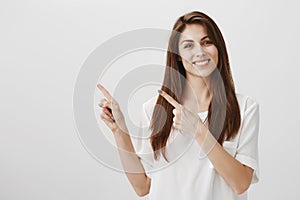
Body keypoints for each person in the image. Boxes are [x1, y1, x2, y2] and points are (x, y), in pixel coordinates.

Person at [97, 11, 260, 200]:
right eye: (188, 45)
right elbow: (142, 187)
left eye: (207, 42)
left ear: (219, 48)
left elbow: (241, 184)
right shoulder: (154, 110)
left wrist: (199, 130)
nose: (200, 51)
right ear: (179, 56)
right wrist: (119, 131)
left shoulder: (244, 108)